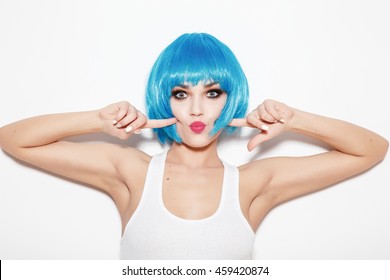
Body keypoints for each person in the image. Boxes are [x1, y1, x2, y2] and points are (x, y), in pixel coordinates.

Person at [0, 33, 388, 259]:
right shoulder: (132, 172)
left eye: (214, 92)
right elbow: (13, 140)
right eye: (181, 93)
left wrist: (295, 120)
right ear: (163, 99)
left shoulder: (254, 183)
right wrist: (96, 121)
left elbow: (371, 149)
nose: (198, 109)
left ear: (231, 99)